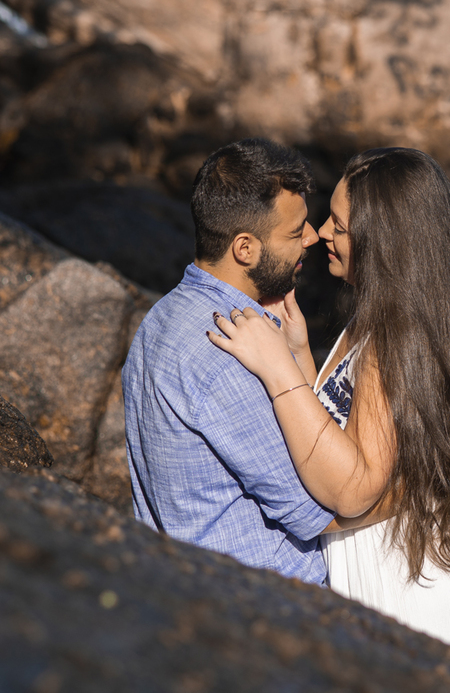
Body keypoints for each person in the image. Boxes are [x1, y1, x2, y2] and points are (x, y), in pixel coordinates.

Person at [207, 147, 450, 668]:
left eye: (341, 225)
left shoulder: (396, 340)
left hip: (414, 598)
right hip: (408, 577)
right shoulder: (390, 320)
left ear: (386, 243)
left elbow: (354, 489)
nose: (320, 233)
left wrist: (277, 369)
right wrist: (301, 354)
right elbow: (346, 440)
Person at [122, 138, 336, 584]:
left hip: (192, 583)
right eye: (296, 232)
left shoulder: (161, 317)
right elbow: (318, 510)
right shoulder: (229, 351)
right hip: (272, 603)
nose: (313, 237)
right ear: (245, 249)